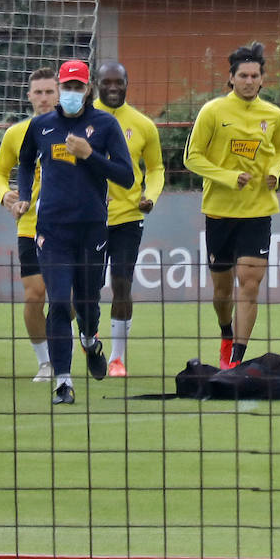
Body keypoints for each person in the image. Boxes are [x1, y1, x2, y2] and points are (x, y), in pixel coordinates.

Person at [13, 60, 134, 405]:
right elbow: (24, 163)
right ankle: (63, 382)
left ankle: (91, 340)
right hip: (52, 228)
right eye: (66, 87)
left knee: (87, 304)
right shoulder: (41, 126)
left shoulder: (105, 124)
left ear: (88, 90)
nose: (70, 94)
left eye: (77, 87)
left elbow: (126, 177)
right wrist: (24, 197)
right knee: (59, 302)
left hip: (92, 226)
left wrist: (90, 155)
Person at [183, 42, 280, 369]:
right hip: (219, 211)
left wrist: (274, 172)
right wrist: (228, 177)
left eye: (254, 75)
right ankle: (226, 332)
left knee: (250, 282)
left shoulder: (273, 115)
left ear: (262, 80)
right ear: (231, 78)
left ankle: (237, 358)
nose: (248, 80)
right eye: (242, 75)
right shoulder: (212, 111)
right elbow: (192, 158)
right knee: (221, 291)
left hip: (257, 213)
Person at [94, 62, 164, 378]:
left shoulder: (143, 125)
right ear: (95, 84)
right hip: (86, 218)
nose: (112, 87)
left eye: (118, 81)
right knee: (81, 290)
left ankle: (117, 358)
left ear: (127, 83)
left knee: (122, 284)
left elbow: (157, 168)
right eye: (106, 81)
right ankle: (87, 335)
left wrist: (150, 195)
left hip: (128, 217)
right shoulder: (81, 120)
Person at [0, 67, 57, 382]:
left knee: (70, 300)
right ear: (29, 96)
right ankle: (45, 362)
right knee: (34, 295)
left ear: (58, 94)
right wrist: (4, 195)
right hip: (29, 226)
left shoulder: (78, 130)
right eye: (38, 92)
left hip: (69, 227)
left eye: (49, 92)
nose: (44, 98)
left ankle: (83, 330)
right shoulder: (16, 133)